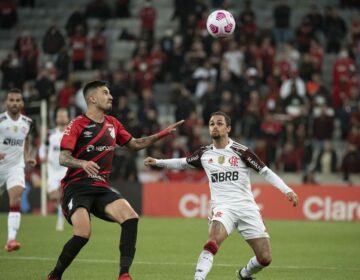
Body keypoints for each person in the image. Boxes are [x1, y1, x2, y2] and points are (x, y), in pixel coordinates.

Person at [46, 80, 183, 280]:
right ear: (92, 98)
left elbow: (135, 144)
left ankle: (124, 275)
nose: (110, 97)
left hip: (100, 188)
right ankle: (55, 275)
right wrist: (82, 163)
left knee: (131, 217)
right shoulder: (77, 124)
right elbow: (63, 158)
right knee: (83, 234)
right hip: (76, 187)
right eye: (105, 93)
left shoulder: (113, 123)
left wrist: (162, 134)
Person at [144, 111, 299, 280]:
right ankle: (198, 278)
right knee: (212, 241)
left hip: (247, 207)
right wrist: (158, 162)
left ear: (228, 128)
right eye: (211, 124)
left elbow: (266, 172)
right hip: (223, 208)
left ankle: (244, 274)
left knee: (265, 258)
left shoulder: (241, 151)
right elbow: (183, 162)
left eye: (219, 123)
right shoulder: (205, 153)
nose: (215, 127)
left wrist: (287, 190)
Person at [0, 88, 37, 252]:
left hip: (16, 166)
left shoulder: (27, 123)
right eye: (11, 100)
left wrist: (27, 156)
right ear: (6, 102)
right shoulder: (0, 120)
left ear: (22, 103)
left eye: (17, 100)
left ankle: (11, 240)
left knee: (15, 199)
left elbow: (27, 139)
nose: (14, 103)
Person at [39, 107, 70, 231]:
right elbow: (42, 147)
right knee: (53, 197)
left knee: (62, 194)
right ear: (56, 118)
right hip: (52, 169)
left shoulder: (71, 133)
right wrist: (42, 156)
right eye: (60, 116)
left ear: (67, 118)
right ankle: (61, 213)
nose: (62, 118)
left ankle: (60, 220)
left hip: (65, 169)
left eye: (64, 115)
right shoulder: (51, 134)